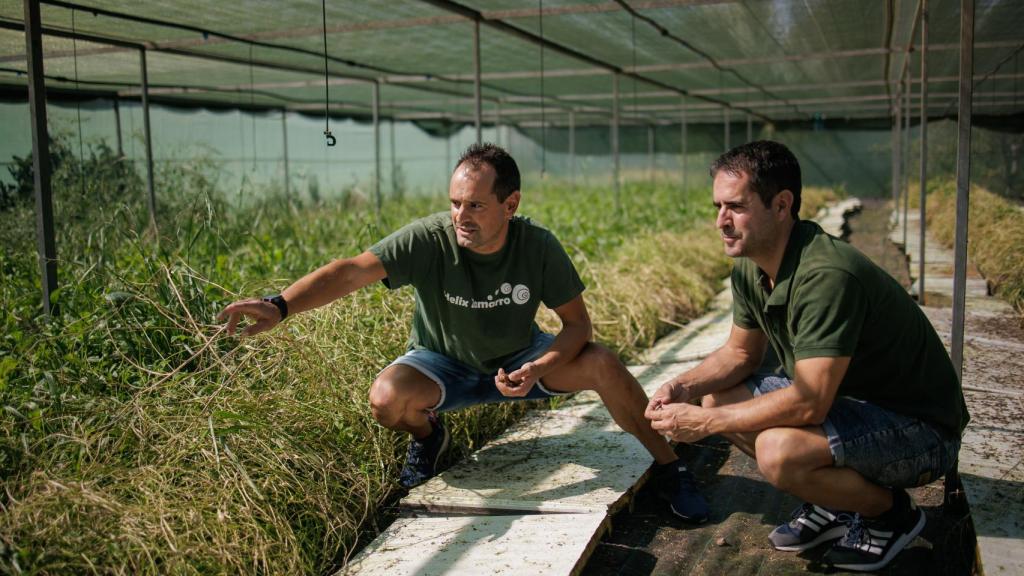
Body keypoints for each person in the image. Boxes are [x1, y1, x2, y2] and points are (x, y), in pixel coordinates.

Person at [218, 143, 709, 522]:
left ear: (510, 203)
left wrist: (538, 366)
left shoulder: (537, 246)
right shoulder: (429, 239)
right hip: (442, 363)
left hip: (521, 358)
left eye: (474, 205)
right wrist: (281, 305)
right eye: (455, 203)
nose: (460, 216)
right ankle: (429, 437)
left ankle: (670, 467)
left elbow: (578, 325)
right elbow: (350, 271)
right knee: (387, 399)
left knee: (603, 363)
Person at [645, 141, 968, 571]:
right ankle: (835, 502)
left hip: (917, 427)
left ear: (782, 205)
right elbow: (740, 353)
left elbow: (810, 400)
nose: (721, 221)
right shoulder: (751, 264)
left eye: (736, 207)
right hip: (851, 404)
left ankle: (890, 514)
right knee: (718, 397)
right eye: (718, 206)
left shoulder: (826, 276)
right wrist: (681, 387)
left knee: (778, 452)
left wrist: (704, 425)